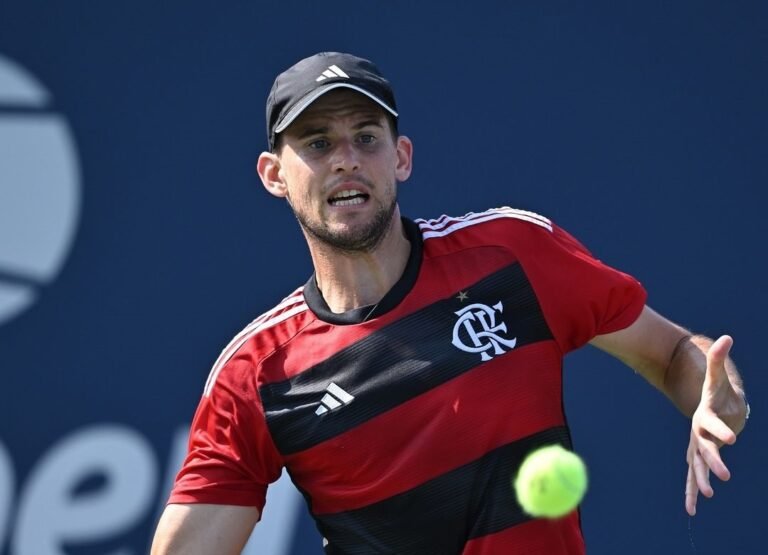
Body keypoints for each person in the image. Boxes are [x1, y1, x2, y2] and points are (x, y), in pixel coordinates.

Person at [151, 52, 749, 554]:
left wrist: (713, 395)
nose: (345, 158)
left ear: (401, 157)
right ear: (274, 175)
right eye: (317, 142)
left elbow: (671, 352)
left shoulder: (511, 253)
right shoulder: (256, 375)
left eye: (366, 137)